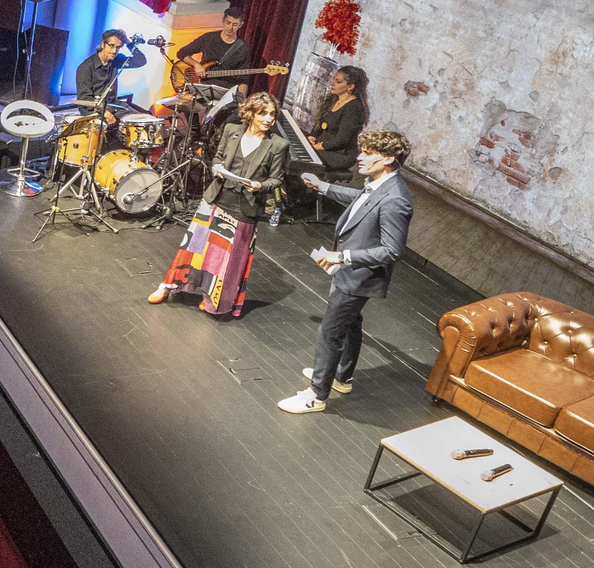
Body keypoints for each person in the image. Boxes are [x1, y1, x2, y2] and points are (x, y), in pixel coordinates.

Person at [282, 129, 416, 415]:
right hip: (350, 271)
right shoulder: (379, 184)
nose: (360, 157)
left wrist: (343, 256)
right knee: (351, 323)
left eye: (368, 153)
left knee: (330, 331)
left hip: (359, 275)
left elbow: (393, 251)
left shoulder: (396, 199)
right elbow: (359, 199)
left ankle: (316, 395)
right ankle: (343, 377)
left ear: (389, 159)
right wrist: (323, 186)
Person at [148, 93, 287, 318]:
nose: (268, 118)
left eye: (272, 114)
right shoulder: (233, 131)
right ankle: (169, 286)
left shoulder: (278, 145)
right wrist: (217, 166)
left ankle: (213, 297)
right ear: (250, 114)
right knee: (194, 247)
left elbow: (277, 179)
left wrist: (260, 185)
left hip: (245, 207)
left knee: (228, 258)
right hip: (217, 198)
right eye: (263, 113)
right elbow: (218, 157)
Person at [175, 9, 254, 93]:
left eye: (235, 24)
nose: (230, 28)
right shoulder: (208, 38)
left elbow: (243, 80)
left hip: (225, 92)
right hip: (201, 87)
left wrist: (242, 101)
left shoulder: (243, 49)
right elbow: (182, 53)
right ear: (223, 21)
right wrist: (196, 64)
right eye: (228, 23)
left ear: (240, 25)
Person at [311, 65, 369, 173]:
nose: (332, 83)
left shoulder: (354, 108)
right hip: (322, 145)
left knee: (303, 156)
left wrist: (317, 147)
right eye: (333, 79)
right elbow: (320, 123)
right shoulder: (333, 99)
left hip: (340, 154)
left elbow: (342, 139)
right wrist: (312, 137)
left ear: (350, 87)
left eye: (338, 81)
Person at [73, 28, 146, 110]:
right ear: (103, 44)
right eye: (111, 46)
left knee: (142, 118)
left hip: (113, 105)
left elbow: (141, 61)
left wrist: (128, 42)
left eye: (118, 47)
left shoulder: (116, 60)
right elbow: (84, 99)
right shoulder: (85, 67)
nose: (114, 51)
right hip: (94, 109)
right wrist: (104, 112)